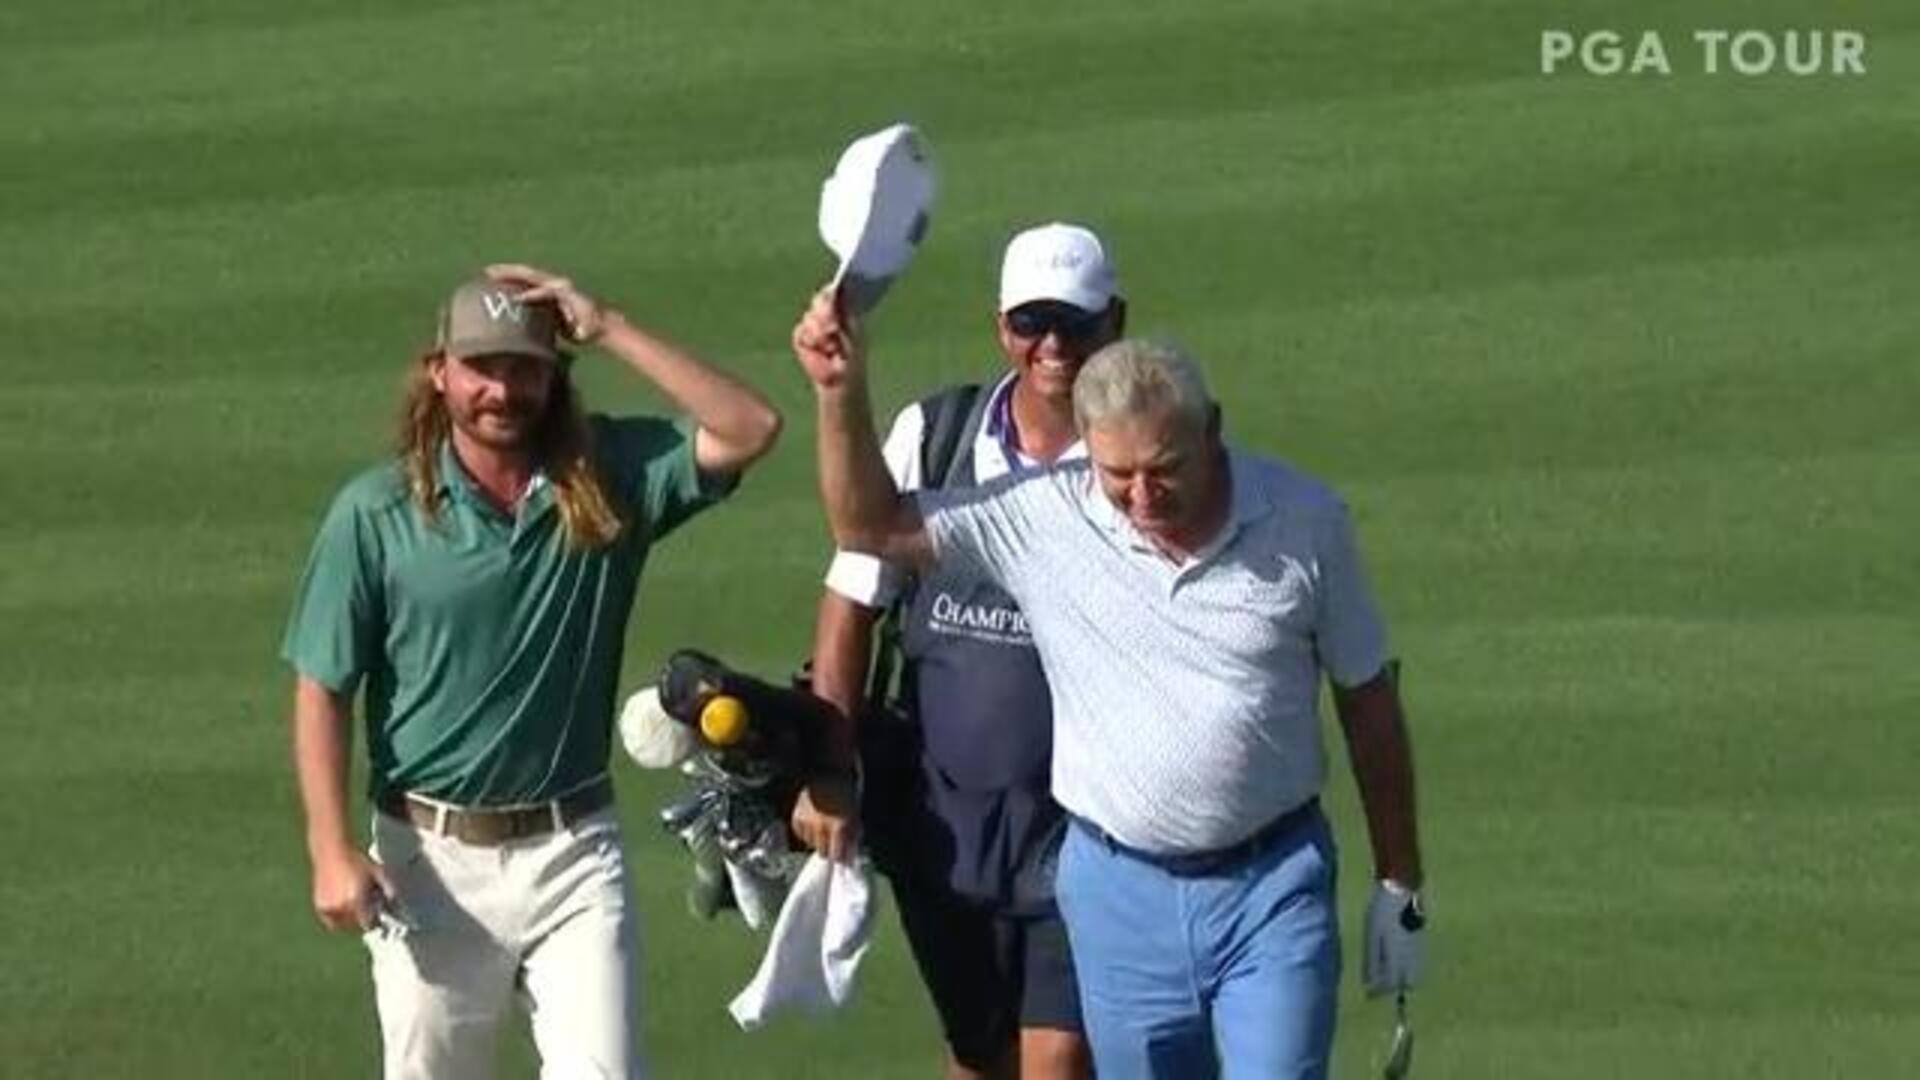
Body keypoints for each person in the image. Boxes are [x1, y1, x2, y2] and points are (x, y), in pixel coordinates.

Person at [789, 297, 1427, 1079]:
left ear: (1213, 430)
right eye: (1118, 474)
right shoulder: (1049, 515)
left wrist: (1399, 881)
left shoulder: (1305, 523)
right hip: (1117, 897)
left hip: (1272, 887)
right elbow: (868, 526)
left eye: (1165, 470)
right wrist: (836, 394)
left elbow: (1368, 703)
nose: (1142, 497)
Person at [283, 264, 781, 1079]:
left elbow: (750, 425)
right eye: (482, 368)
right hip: (428, 862)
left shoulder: (609, 476)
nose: (502, 391)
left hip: (575, 852)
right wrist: (330, 847)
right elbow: (322, 688)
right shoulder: (374, 515)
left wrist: (609, 323)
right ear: (439, 372)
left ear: (554, 374)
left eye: (525, 367)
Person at [791, 223, 1123, 1080]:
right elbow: (853, 592)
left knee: (1059, 1062)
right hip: (942, 821)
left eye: (1076, 324)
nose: (1053, 346)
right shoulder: (936, 435)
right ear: (1000, 327)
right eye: (1031, 322)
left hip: (1086, 828)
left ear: (1114, 323)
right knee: (978, 1058)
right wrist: (830, 767)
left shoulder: (1140, 461)